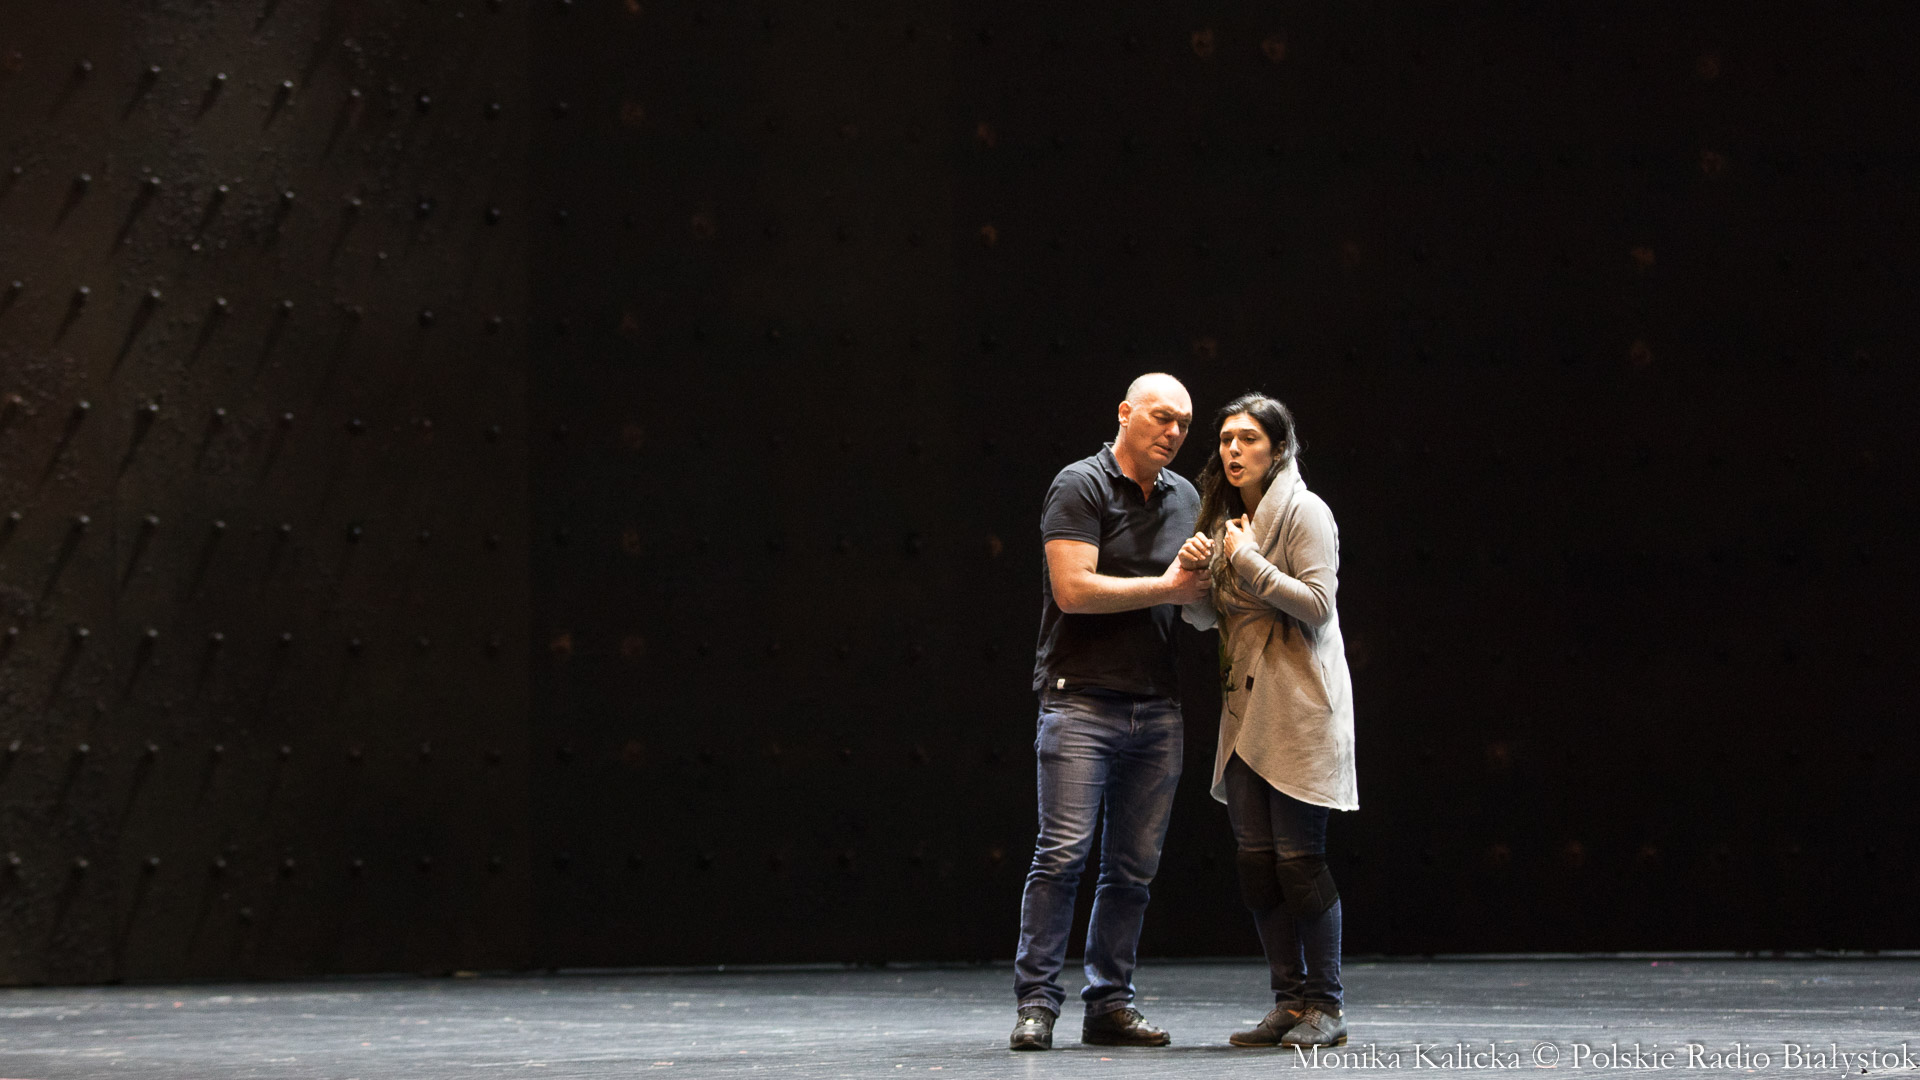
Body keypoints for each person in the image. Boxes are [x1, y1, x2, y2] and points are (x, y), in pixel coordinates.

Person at [1009, 373, 1207, 1052]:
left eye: (1184, 423)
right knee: (1062, 856)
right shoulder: (1081, 483)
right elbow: (1072, 590)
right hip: (1081, 700)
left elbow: (1191, 595)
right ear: (1125, 413)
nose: (1173, 433)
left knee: (1132, 870)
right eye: (1161, 417)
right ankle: (1037, 1003)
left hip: (1157, 705)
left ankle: (1110, 1003)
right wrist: (1169, 587)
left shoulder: (1186, 498)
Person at [1176, 392, 1357, 1049]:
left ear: (1278, 450)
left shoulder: (1305, 512)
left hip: (1298, 709)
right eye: (1226, 438)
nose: (1233, 450)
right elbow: (1211, 618)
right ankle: (1288, 1001)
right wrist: (1195, 576)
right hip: (1244, 712)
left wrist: (1247, 560)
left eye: (1249, 439)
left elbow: (1317, 604)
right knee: (1257, 866)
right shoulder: (1231, 518)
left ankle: (1325, 1006)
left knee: (1299, 863)